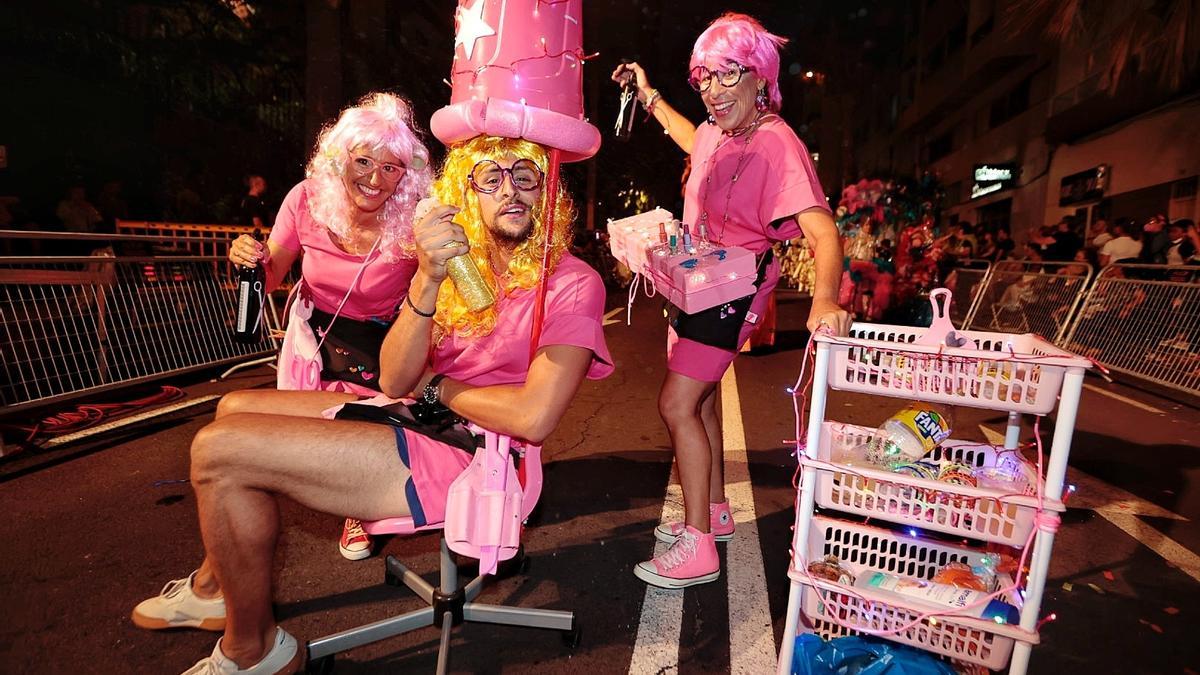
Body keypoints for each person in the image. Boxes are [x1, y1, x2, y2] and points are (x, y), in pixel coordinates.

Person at [130, 135, 612, 674]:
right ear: (467, 194)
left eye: (525, 177)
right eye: (491, 179)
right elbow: (393, 376)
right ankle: (216, 585)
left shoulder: (573, 282)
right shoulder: (453, 267)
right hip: (418, 418)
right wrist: (428, 278)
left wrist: (437, 387)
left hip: (480, 452)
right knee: (231, 410)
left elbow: (533, 417)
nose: (511, 192)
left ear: (547, 194)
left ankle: (253, 650)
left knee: (219, 451)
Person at [612, 12, 850, 589]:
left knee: (677, 405)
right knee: (704, 401)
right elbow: (686, 133)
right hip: (695, 279)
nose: (713, 91)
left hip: (733, 289)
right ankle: (715, 511)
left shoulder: (776, 143)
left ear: (760, 77)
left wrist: (824, 300)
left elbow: (823, 232)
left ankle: (698, 545)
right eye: (704, 79)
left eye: (726, 76)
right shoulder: (719, 131)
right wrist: (649, 96)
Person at [227, 92, 433, 562]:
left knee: (357, 430)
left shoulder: (415, 215)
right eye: (363, 161)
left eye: (391, 167)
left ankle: (357, 507)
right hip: (316, 340)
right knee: (304, 434)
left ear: (406, 174)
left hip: (384, 343)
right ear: (341, 159)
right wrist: (247, 259)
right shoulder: (305, 200)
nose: (374, 178)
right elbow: (272, 274)